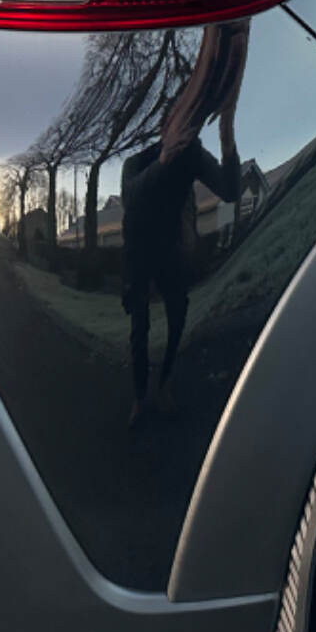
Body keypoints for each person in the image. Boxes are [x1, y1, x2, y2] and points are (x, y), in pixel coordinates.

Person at [118, 22, 247, 427]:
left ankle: (167, 381)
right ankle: (140, 397)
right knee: (139, 325)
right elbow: (132, 195)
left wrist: (226, 134)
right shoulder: (139, 160)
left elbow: (229, 191)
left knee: (178, 316)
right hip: (139, 254)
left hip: (173, 250)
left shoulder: (192, 153)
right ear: (164, 125)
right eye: (175, 121)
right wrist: (164, 160)